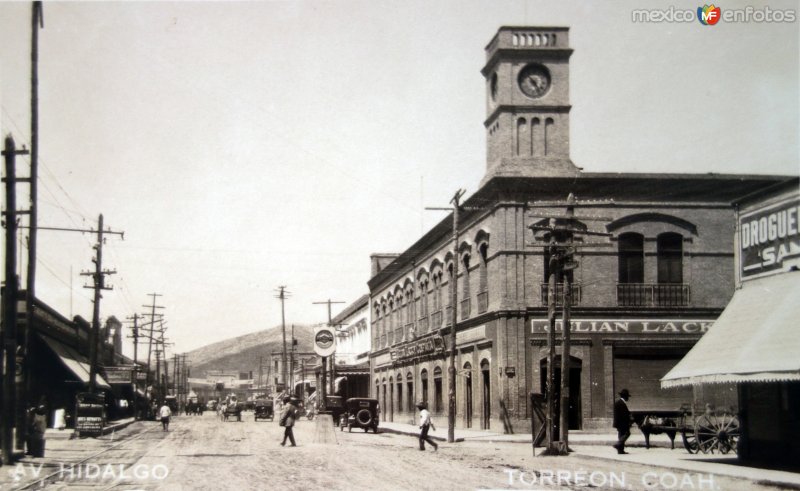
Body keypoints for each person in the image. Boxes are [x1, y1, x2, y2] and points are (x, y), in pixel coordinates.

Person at [612, 389, 632, 454]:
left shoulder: (618, 402)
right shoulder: (621, 403)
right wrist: (629, 420)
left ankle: (620, 450)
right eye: (627, 397)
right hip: (622, 423)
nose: (628, 399)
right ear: (625, 397)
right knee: (627, 433)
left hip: (618, 423)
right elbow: (624, 414)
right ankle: (618, 444)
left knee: (621, 435)